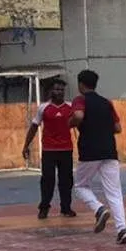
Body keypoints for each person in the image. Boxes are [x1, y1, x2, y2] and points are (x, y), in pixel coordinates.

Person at [70, 69, 126, 245]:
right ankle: (122, 229)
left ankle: (98, 209)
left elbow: (78, 115)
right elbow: (118, 128)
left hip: (89, 151)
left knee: (81, 186)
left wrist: (71, 123)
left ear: (81, 84)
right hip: (110, 151)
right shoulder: (107, 103)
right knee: (115, 193)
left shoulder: (80, 100)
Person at [22, 78, 76, 219]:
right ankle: (44, 208)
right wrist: (26, 145)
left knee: (66, 180)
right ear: (51, 91)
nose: (59, 92)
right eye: (57, 89)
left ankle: (66, 208)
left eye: (62, 90)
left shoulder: (70, 107)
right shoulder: (44, 108)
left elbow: (80, 125)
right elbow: (34, 126)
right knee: (48, 180)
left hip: (66, 150)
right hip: (49, 151)